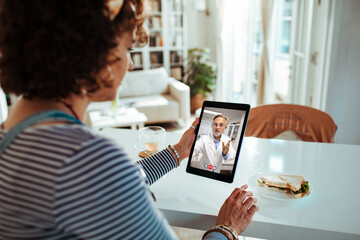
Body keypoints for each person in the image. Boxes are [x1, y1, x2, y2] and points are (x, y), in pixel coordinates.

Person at [0, 0, 258, 239]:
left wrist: (178, 151)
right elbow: (104, 178)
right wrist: (227, 228)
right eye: (128, 48)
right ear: (92, 52)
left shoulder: (12, 133)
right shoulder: (87, 158)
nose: (131, 64)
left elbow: (108, 187)